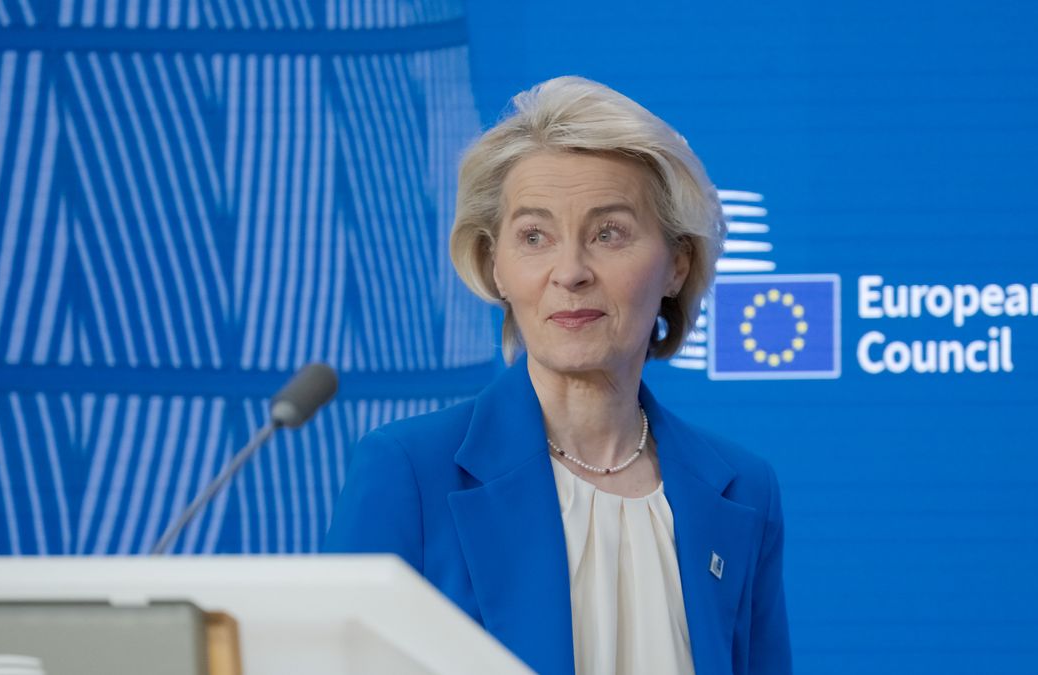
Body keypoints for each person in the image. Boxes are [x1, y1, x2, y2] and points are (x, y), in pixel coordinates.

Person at [324, 76, 791, 675]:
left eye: (608, 233)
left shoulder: (743, 489)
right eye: (534, 236)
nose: (569, 271)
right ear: (496, 266)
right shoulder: (410, 473)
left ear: (677, 263)